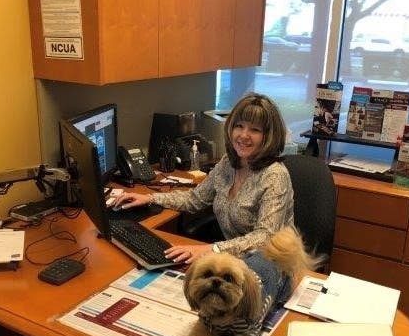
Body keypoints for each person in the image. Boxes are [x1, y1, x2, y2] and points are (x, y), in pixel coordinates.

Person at [109, 93, 294, 265]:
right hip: (233, 260)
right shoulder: (229, 162)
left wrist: (211, 249)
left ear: (268, 137)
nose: (243, 135)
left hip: (271, 264)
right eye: (239, 126)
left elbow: (266, 237)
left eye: (254, 130)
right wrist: (150, 198)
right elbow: (195, 199)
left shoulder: (275, 175)